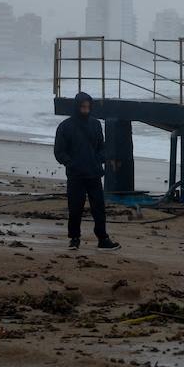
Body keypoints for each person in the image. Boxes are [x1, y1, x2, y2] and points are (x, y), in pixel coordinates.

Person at [53, 92, 121, 251]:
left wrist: (99, 159)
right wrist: (71, 164)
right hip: (75, 174)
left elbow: (102, 147)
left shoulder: (96, 124)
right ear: (77, 107)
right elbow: (59, 151)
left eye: (88, 107)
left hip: (94, 173)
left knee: (99, 208)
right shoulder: (65, 126)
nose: (86, 110)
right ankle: (74, 239)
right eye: (83, 107)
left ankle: (103, 239)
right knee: (75, 207)